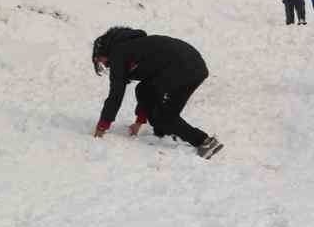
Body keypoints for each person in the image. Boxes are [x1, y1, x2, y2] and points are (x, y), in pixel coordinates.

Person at [90, 26, 223, 159]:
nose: (103, 64)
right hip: (195, 66)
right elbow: (147, 89)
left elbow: (116, 94)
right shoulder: (134, 46)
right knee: (147, 93)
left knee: (162, 116)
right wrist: (139, 121)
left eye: (100, 60)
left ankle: (204, 142)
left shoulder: (119, 53)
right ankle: (165, 133)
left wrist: (102, 125)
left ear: (104, 51)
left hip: (182, 68)